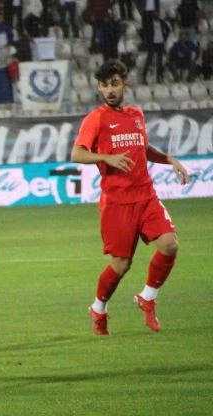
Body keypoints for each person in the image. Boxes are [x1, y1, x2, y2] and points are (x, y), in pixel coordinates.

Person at [70, 60, 189, 336]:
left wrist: (169, 159)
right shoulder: (96, 119)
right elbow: (77, 153)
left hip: (146, 195)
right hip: (117, 203)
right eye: (104, 85)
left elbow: (142, 148)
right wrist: (106, 157)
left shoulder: (136, 114)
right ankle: (98, 308)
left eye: (114, 83)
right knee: (121, 265)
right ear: (99, 88)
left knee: (169, 244)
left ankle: (147, 297)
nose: (109, 90)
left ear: (125, 83)